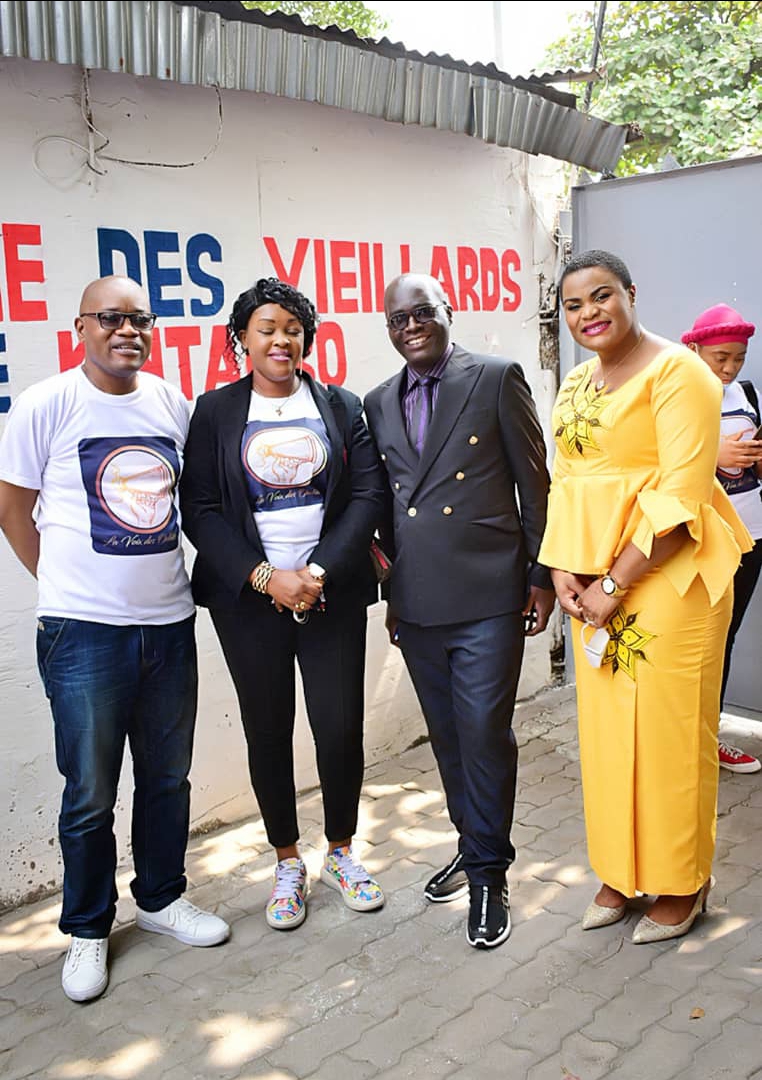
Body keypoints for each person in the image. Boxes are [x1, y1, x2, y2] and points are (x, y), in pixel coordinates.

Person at [0, 276, 229, 1004]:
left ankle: (161, 899)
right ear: (80, 328)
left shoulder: (169, 403)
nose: (127, 330)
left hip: (168, 625)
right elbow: (13, 508)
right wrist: (65, 587)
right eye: (110, 318)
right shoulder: (46, 404)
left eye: (139, 319)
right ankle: (88, 928)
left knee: (166, 779)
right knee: (90, 791)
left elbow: (191, 499)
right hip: (82, 635)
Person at [539, 250, 750, 944]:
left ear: (630, 294)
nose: (589, 313)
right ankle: (620, 872)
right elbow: (566, 480)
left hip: (670, 579)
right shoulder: (577, 381)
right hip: (591, 582)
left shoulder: (682, 373)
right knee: (605, 737)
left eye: (602, 296)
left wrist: (613, 582)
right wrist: (563, 569)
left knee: (668, 737)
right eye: (574, 305)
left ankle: (683, 881)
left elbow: (681, 496)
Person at [180, 278, 385, 930]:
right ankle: (288, 861)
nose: (280, 340)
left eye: (292, 329)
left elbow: (367, 496)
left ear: (306, 338)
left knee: (340, 727)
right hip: (249, 603)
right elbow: (199, 509)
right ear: (241, 338)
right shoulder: (215, 412)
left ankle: (342, 851)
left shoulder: (340, 405)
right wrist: (267, 577)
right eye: (266, 328)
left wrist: (317, 572)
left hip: (330, 596)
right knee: (267, 729)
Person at [364, 273, 555, 949]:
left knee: (482, 734)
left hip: (488, 598)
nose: (411, 325)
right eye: (398, 318)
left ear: (448, 312)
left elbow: (536, 486)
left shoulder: (495, 378)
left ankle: (489, 876)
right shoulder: (377, 401)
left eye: (423, 312)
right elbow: (388, 508)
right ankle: (472, 845)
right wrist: (391, 594)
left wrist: (540, 577)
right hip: (418, 603)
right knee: (447, 738)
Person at [682, 304, 762, 773]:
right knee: (697, 642)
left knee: (724, 641)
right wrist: (715, 454)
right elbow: (654, 462)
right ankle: (684, 742)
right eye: (721, 358)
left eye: (739, 357)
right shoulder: (679, 394)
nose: (730, 368)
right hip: (703, 539)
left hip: (751, 536)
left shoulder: (746, 394)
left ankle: (708, 738)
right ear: (695, 349)